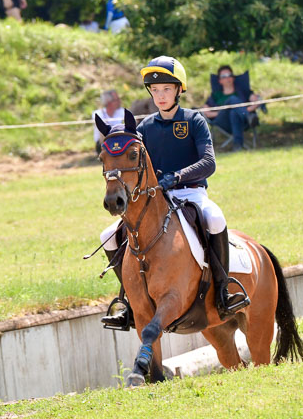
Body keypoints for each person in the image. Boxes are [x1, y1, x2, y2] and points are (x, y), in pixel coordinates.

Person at [100, 55, 250, 329]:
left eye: (166, 89)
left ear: (179, 89)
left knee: (215, 219)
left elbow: (209, 162)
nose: (160, 95)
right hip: (158, 199)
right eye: (155, 91)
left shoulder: (195, 120)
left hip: (191, 193)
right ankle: (130, 302)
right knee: (108, 235)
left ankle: (224, 292)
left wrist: (177, 176)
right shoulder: (144, 128)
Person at [201, 64, 260, 151]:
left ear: (233, 78)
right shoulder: (216, 95)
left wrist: (243, 110)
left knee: (234, 113)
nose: (227, 78)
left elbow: (256, 102)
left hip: (241, 121)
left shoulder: (243, 92)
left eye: (229, 75)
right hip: (223, 121)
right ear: (220, 80)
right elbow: (206, 112)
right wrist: (224, 111)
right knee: (232, 100)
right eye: (224, 76)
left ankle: (237, 146)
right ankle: (248, 116)